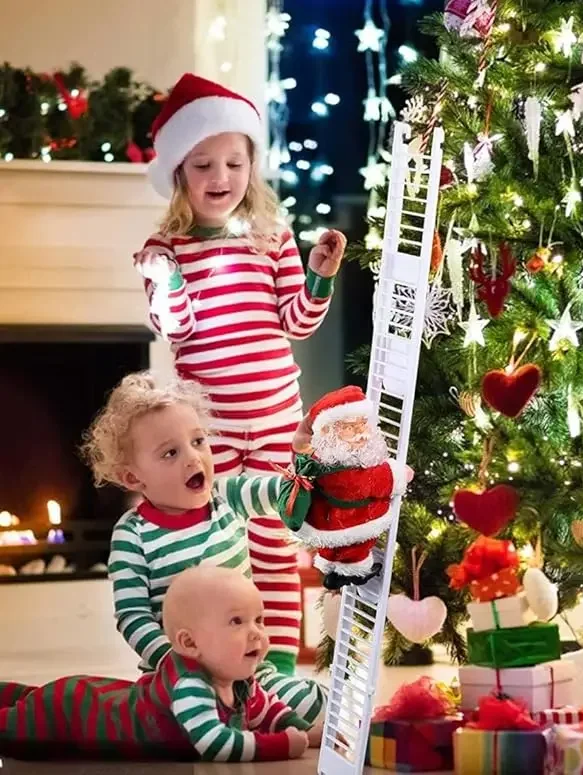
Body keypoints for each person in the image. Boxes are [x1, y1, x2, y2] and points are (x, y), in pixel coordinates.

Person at [134, 72, 347, 673]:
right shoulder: (165, 248)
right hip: (210, 430)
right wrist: (168, 276)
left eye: (233, 162)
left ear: (251, 165)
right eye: (202, 165)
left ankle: (274, 669)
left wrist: (319, 275)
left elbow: (297, 322)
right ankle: (222, 667)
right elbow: (172, 327)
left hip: (276, 417)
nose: (220, 178)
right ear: (178, 172)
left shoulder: (271, 238)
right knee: (222, 548)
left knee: (275, 545)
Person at [81, 371, 324, 724]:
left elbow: (285, 491)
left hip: (248, 671)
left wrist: (302, 453)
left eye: (198, 441)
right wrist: (177, 663)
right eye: (170, 453)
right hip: (178, 681)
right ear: (134, 478)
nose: (194, 458)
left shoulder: (228, 499)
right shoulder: (132, 535)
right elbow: (133, 617)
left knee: (312, 704)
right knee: (177, 724)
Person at [0, 567, 320, 762]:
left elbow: (264, 708)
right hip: (73, 714)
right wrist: (282, 744)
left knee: (28, 696)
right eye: (237, 621)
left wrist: (303, 730)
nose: (256, 633)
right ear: (189, 643)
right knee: (17, 725)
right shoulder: (190, 686)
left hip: (92, 693)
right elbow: (215, 744)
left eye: (259, 620)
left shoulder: (234, 676)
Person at [275, 386, 412, 589]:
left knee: (335, 547)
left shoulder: (320, 456)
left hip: (327, 519)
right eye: (349, 428)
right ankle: (357, 571)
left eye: (363, 424)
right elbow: (371, 481)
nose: (360, 433)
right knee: (356, 547)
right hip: (348, 520)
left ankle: (332, 570)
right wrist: (398, 474)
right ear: (328, 433)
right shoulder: (339, 470)